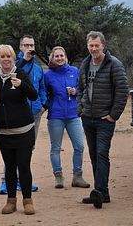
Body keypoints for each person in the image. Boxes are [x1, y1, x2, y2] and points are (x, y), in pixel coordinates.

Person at [77, 31, 129, 209]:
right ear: (88, 46)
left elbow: (122, 91)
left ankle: (98, 191)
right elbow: (80, 88)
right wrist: (81, 108)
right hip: (88, 117)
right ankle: (103, 193)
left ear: (103, 46)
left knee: (101, 153)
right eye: (91, 46)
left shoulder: (114, 64)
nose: (93, 49)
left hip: (104, 119)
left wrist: (113, 115)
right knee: (93, 154)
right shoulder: (85, 64)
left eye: (96, 45)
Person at [0, 44, 38, 215]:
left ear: (13, 58)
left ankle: (27, 200)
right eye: (2, 57)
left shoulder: (20, 73)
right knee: (9, 167)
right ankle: (11, 201)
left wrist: (21, 86)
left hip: (24, 130)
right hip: (4, 133)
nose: (5, 60)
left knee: (23, 166)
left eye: (8, 56)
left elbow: (33, 94)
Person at [0, 34, 47, 194]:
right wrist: (24, 59)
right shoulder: (14, 62)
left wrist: (43, 105)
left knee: (28, 147)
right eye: (26, 45)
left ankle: (23, 180)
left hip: (34, 113)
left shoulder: (38, 68)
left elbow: (41, 88)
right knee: (11, 147)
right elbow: (9, 70)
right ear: (20, 47)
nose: (29, 48)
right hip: (16, 113)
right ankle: (6, 181)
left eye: (31, 46)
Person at [44, 46, 90, 189]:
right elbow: (44, 94)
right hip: (56, 116)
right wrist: (47, 106)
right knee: (55, 148)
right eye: (56, 56)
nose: (59, 58)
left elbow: (83, 89)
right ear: (52, 58)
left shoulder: (74, 71)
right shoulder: (48, 75)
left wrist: (75, 91)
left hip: (73, 115)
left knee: (79, 146)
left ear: (65, 57)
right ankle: (58, 176)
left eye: (61, 56)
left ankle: (77, 176)